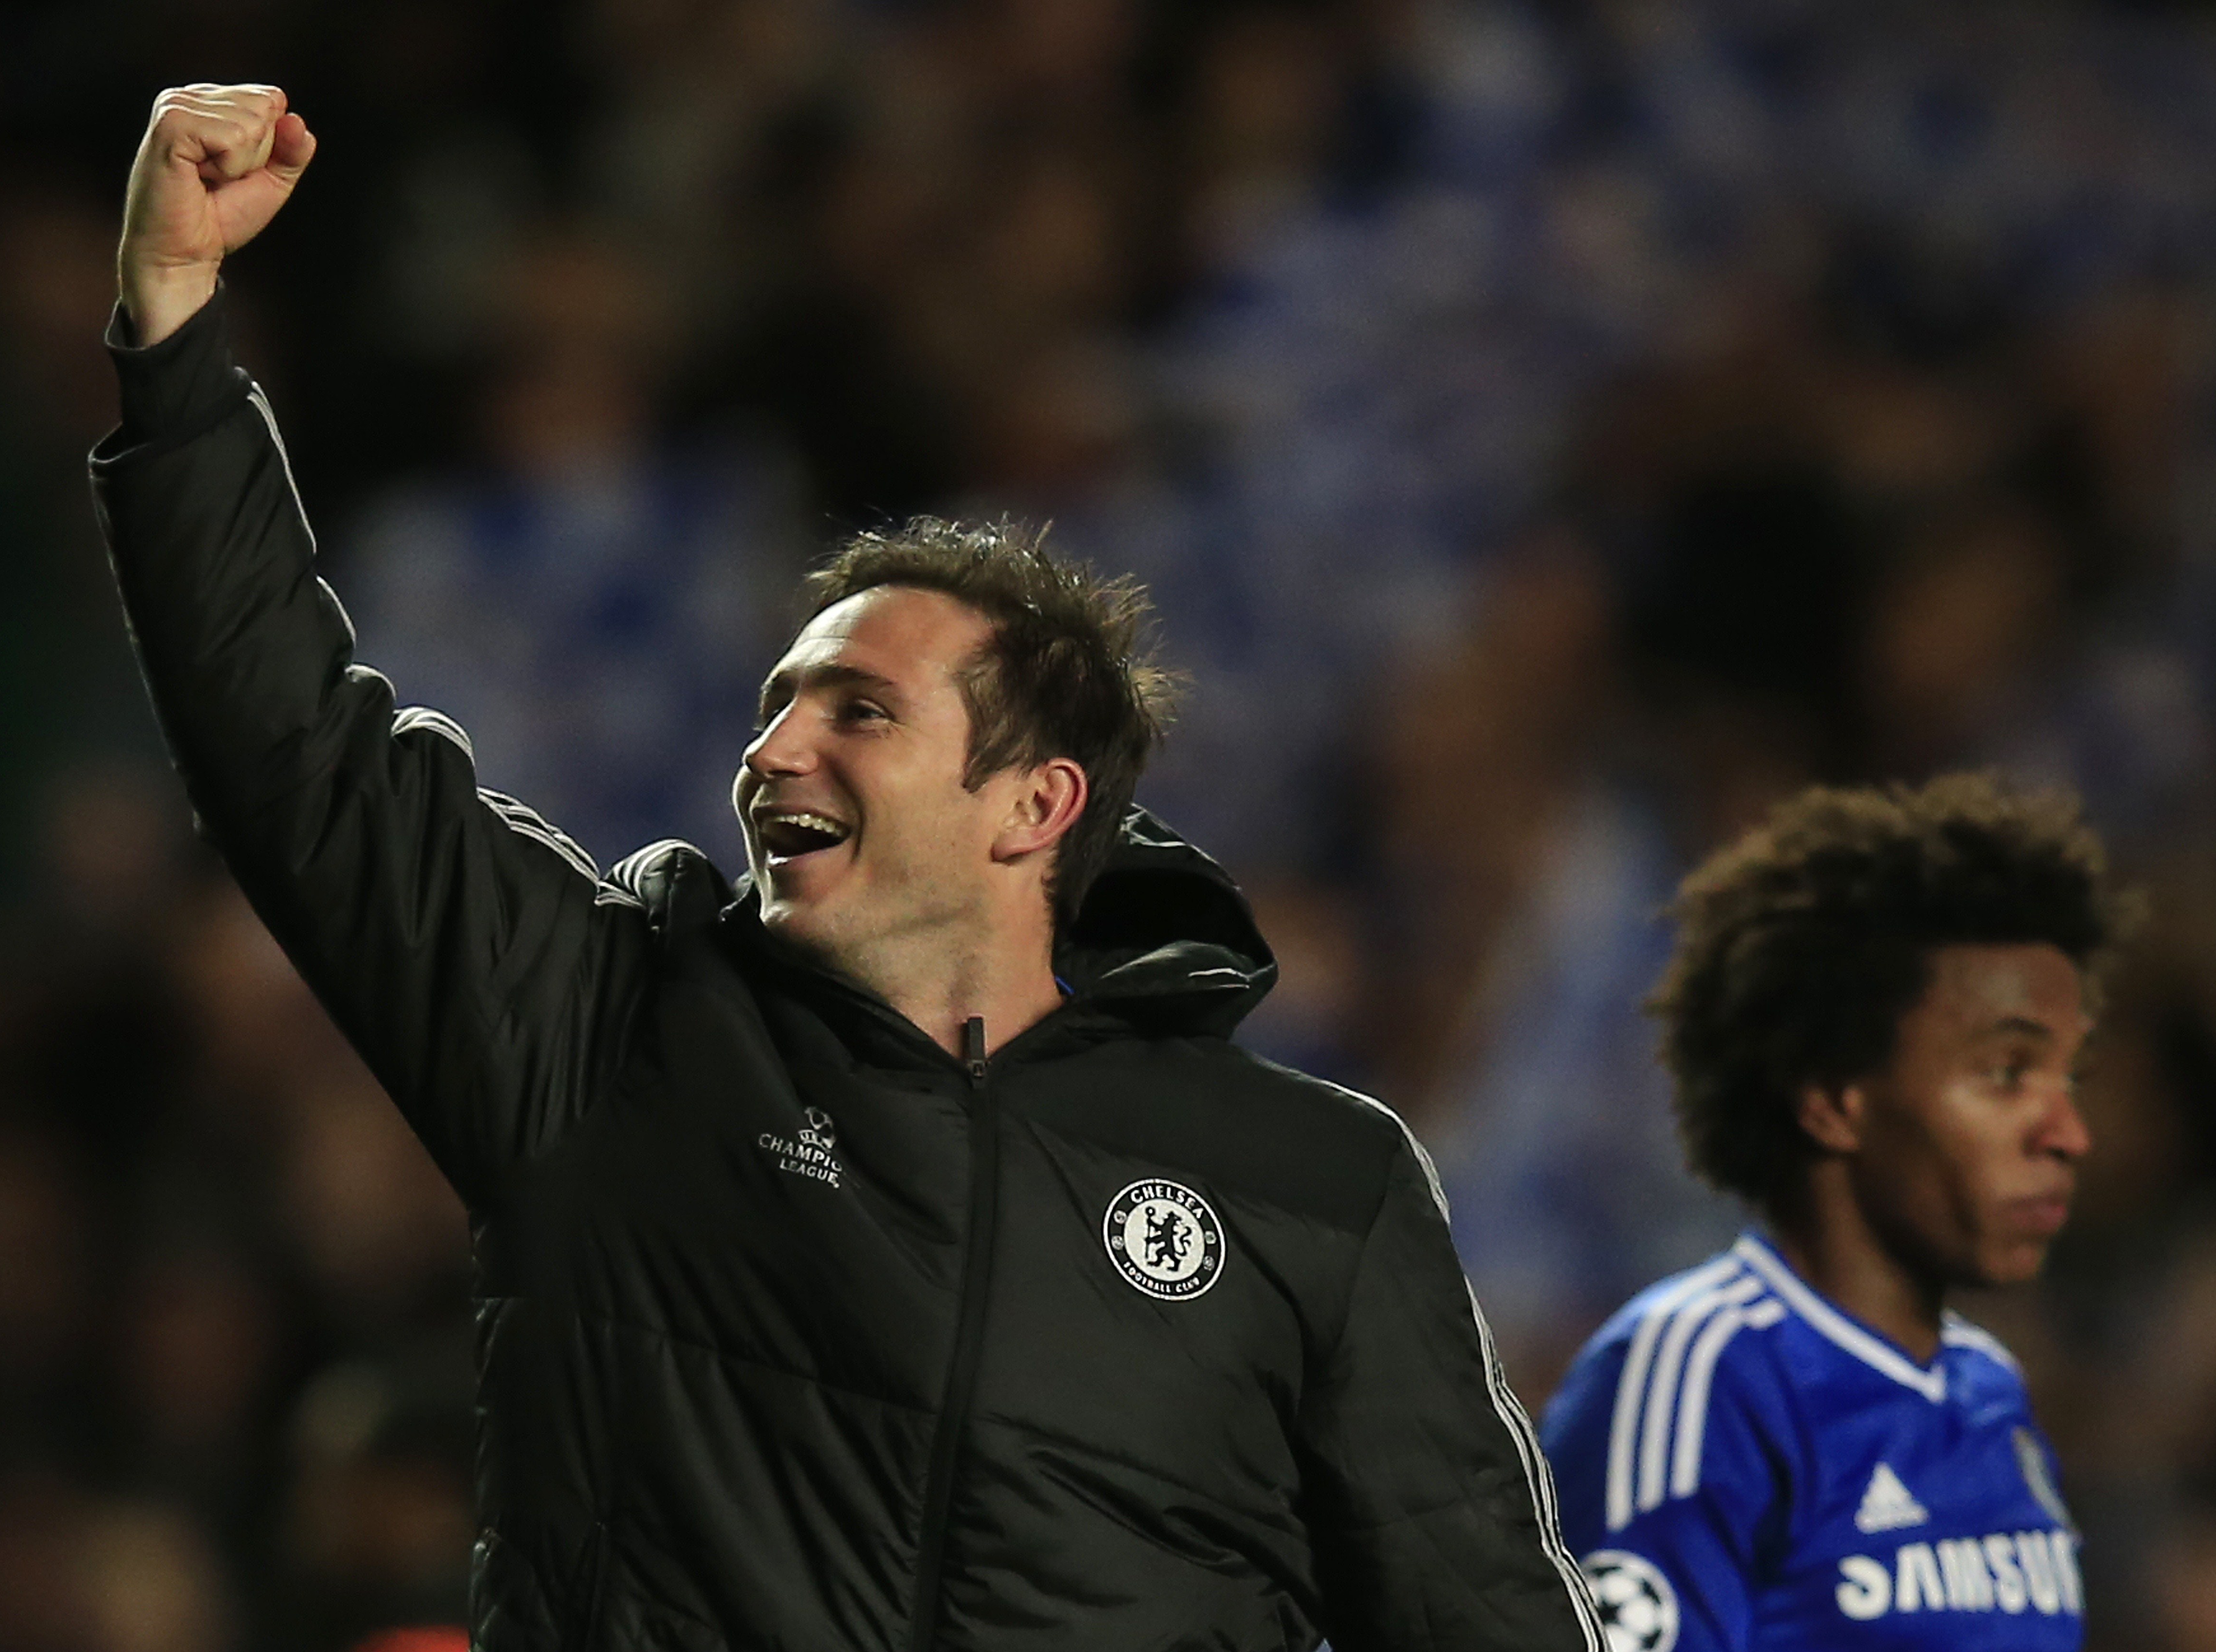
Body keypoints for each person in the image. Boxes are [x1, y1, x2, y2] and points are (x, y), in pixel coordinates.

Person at [91, 85, 1602, 1651]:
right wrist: (175, 340)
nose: (771, 751)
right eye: (775, 704)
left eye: (859, 711)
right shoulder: (611, 1036)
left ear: (1030, 803)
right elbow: (297, 757)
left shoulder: (1312, 1188)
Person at [1538, 774, 2121, 1650]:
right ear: (1833, 1099)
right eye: (2006, 1074)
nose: (2067, 1133)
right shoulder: (1696, 1377)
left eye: (2066, 1079)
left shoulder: (1991, 1391)